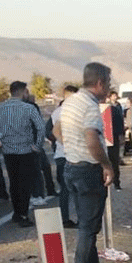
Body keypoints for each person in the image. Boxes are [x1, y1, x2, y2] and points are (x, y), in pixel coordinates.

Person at [55, 63, 118, 263]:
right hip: (88, 170)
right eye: (109, 83)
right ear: (100, 83)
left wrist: (72, 148)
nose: (109, 88)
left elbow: (56, 131)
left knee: (85, 224)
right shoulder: (91, 107)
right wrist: (106, 165)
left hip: (71, 167)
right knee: (88, 228)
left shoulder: (71, 102)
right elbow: (92, 140)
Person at [0, 80, 45, 227]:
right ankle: (24, 214)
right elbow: (40, 127)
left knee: (14, 183)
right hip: (25, 150)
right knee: (25, 184)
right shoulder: (28, 108)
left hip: (8, 150)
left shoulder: (0, 108)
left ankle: (16, 212)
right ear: (22, 91)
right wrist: (37, 145)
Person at [50, 85, 79, 228]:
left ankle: (65, 218)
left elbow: (50, 132)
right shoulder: (68, 112)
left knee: (66, 190)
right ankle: (74, 218)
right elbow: (55, 132)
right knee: (74, 189)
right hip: (69, 155)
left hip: (62, 154)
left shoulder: (57, 112)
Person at [23, 91, 55, 205]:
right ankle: (41, 192)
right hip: (30, 142)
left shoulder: (31, 107)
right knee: (38, 169)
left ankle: (39, 194)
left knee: (38, 169)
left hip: (33, 142)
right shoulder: (29, 107)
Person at [104, 90, 124, 189]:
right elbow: (120, 124)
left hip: (104, 139)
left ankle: (107, 182)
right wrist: (121, 136)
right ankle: (116, 183)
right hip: (113, 138)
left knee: (105, 162)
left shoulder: (96, 109)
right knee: (114, 162)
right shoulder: (114, 109)